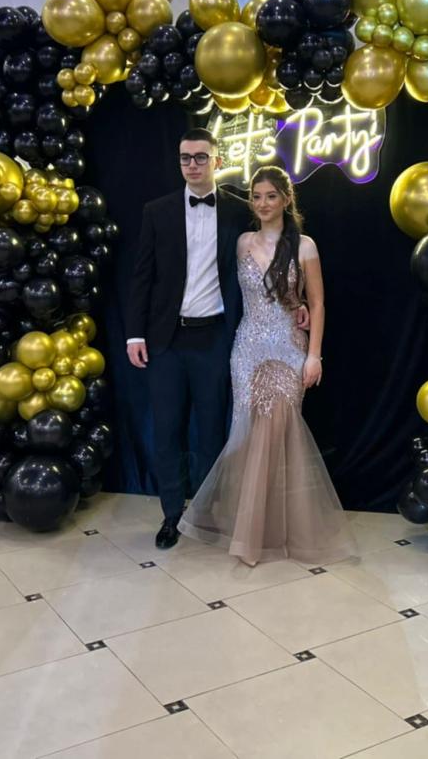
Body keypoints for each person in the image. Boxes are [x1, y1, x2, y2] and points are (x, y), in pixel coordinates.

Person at [178, 167, 355, 566]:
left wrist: (314, 355)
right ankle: (248, 529)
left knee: (276, 437)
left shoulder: (304, 246)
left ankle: (267, 535)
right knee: (246, 435)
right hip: (247, 348)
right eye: (256, 196)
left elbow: (318, 303)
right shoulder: (242, 242)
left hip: (288, 348)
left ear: (286, 199)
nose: (262, 203)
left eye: (271, 196)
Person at [128, 129, 265, 549]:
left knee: (212, 433)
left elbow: (268, 255)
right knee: (167, 431)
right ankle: (172, 515)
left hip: (215, 338)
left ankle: (206, 515)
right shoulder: (157, 211)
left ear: (217, 161)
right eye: (185, 158)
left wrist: (292, 302)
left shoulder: (240, 211)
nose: (192, 165)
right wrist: (134, 334)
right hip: (166, 340)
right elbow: (142, 276)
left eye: (201, 157)